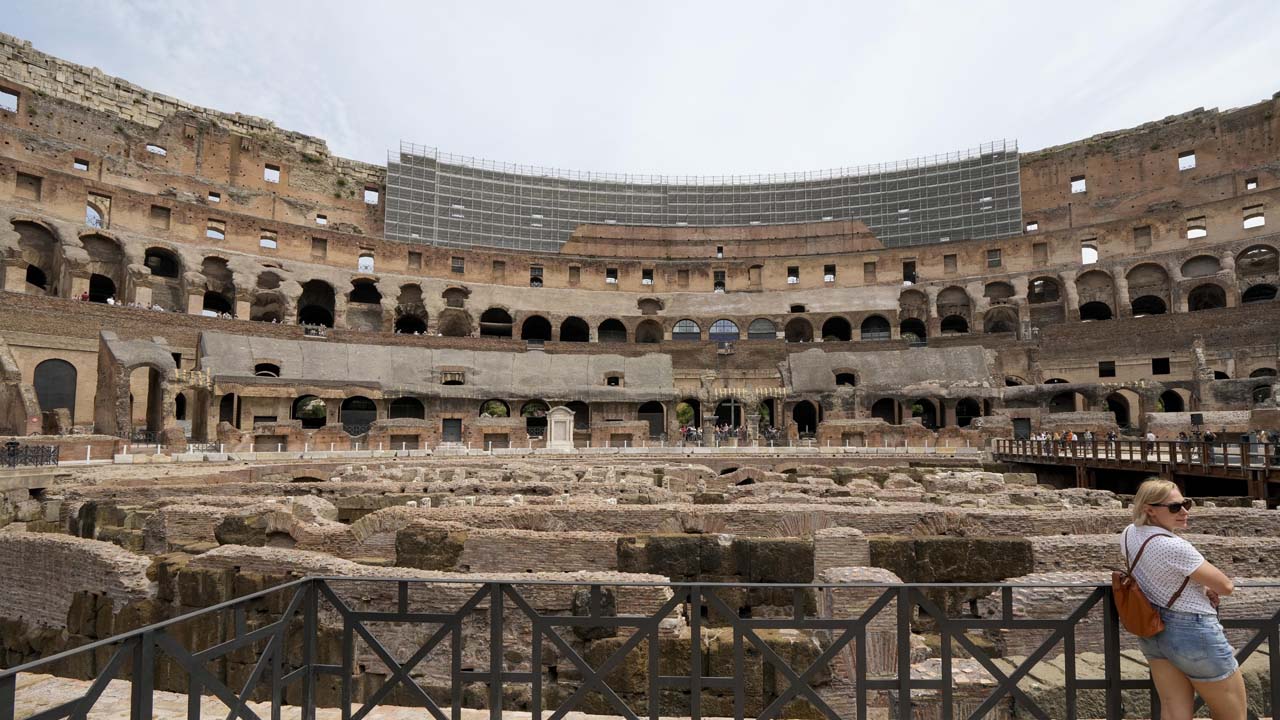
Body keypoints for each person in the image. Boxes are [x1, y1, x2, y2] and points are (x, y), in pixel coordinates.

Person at [1121, 479, 1244, 718]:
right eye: (1175, 507)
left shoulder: (1129, 533)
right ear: (1149, 510)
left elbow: (1160, 574)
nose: (1185, 511)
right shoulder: (1174, 546)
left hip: (1153, 631)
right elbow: (1226, 586)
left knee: (1173, 712)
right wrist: (1209, 585)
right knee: (1232, 715)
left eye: (1185, 504)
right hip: (1192, 632)